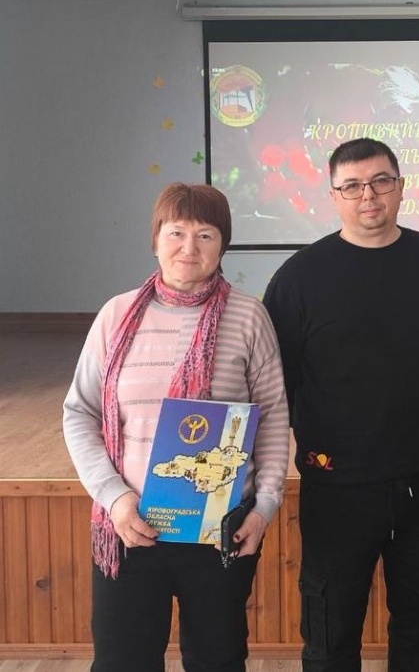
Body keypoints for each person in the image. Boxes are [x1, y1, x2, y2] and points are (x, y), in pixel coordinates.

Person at [62, 183, 290, 672]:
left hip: (221, 529)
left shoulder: (249, 316)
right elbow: (79, 412)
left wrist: (265, 507)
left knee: (217, 660)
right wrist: (115, 498)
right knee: (122, 661)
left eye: (205, 235)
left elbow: (272, 416)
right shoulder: (116, 315)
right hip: (128, 526)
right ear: (155, 239)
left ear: (223, 244)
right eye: (176, 232)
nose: (189, 247)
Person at [262, 137, 419, 672]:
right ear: (333, 196)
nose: (368, 195)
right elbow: (274, 386)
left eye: (380, 181)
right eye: (352, 186)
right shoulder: (299, 278)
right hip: (337, 488)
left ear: (401, 187)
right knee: (330, 637)